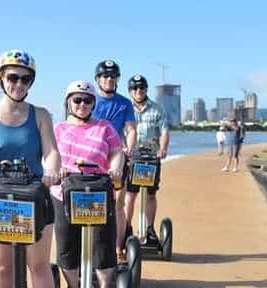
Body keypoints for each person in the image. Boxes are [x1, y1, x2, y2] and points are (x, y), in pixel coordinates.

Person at [0, 49, 61, 288]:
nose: (18, 83)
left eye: (25, 78)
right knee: (1, 266)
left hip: (34, 194)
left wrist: (51, 171)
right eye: (12, 77)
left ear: (31, 81)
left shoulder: (40, 115)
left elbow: (51, 151)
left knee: (39, 266)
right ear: (0, 79)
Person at [52, 80, 124, 288]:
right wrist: (57, 170)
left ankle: (103, 284)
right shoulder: (59, 129)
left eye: (87, 101)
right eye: (77, 100)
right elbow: (49, 155)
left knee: (103, 245)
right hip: (64, 192)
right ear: (68, 103)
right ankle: (73, 285)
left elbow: (117, 151)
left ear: (93, 103)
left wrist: (116, 168)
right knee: (67, 245)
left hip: (99, 191)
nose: (82, 104)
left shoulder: (104, 127)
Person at [91, 59, 137, 262]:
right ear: (98, 79)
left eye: (112, 76)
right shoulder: (88, 100)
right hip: (92, 160)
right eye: (104, 76)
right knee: (91, 203)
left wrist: (130, 146)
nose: (109, 80)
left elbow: (130, 129)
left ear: (117, 79)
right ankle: (91, 248)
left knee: (118, 203)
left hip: (116, 158)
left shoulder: (124, 103)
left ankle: (118, 249)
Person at [124, 74, 169, 247]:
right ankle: (127, 227)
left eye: (141, 88)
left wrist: (163, 149)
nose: (138, 91)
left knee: (151, 194)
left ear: (146, 89)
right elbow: (121, 131)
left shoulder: (157, 109)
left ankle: (149, 229)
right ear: (130, 91)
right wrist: (123, 147)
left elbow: (164, 131)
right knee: (131, 194)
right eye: (135, 88)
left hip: (151, 157)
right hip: (133, 157)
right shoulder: (127, 109)